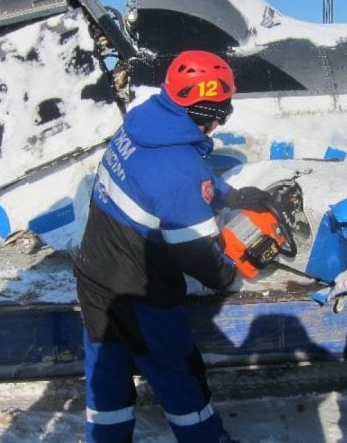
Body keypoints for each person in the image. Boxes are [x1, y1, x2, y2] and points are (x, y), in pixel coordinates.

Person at [74, 50, 274, 442]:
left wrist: (231, 197)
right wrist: (231, 279)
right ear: (205, 110)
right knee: (180, 376)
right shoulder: (180, 168)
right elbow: (195, 253)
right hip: (141, 294)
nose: (219, 124)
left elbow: (173, 185)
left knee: (107, 377)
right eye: (222, 113)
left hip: (95, 275)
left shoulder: (143, 125)